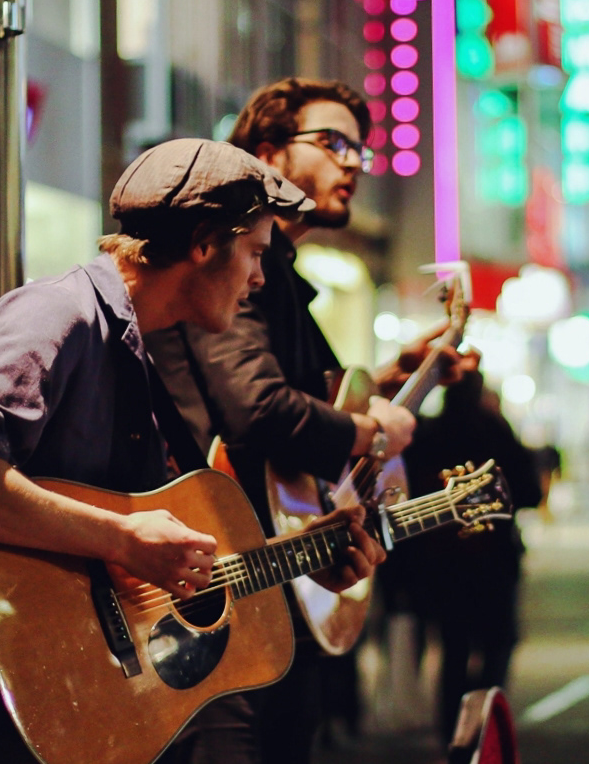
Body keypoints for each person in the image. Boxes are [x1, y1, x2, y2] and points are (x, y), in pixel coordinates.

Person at [0, 139, 387, 761]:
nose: (261, 278)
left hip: (101, 698)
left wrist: (297, 556)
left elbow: (147, 569)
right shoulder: (59, 313)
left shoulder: (137, 348)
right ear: (206, 242)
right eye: (255, 253)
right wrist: (123, 537)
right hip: (26, 666)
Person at [144, 78, 469, 763]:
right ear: (268, 152)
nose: (353, 162)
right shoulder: (232, 268)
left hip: (269, 580)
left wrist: (392, 378)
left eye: (362, 150)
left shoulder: (279, 277)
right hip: (211, 595)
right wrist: (371, 432)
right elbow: (256, 407)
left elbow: (303, 398)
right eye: (334, 143)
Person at [400, 368, 543, 743]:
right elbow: (528, 491)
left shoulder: (426, 434)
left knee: (453, 648)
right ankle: (485, 725)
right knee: (498, 644)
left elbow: (405, 498)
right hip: (493, 560)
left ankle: (455, 734)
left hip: (441, 564)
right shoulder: (495, 431)